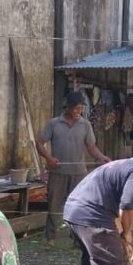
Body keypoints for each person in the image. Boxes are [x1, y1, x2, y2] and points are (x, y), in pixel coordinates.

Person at [35, 92, 111, 249]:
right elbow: (39, 143)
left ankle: (77, 239)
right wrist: (49, 158)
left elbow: (91, 147)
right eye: (77, 108)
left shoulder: (85, 125)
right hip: (58, 172)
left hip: (79, 174)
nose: (79, 112)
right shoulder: (54, 124)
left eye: (81, 109)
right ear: (68, 107)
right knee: (53, 207)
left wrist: (101, 157)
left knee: (78, 207)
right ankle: (51, 239)